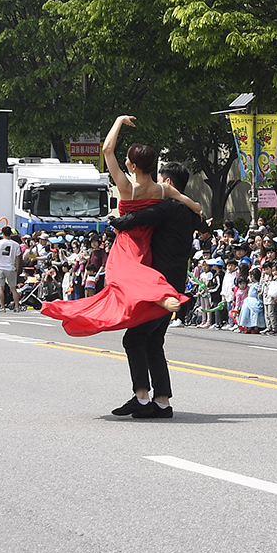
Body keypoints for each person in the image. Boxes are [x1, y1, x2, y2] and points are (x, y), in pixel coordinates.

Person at [42, 117, 197, 417]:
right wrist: (197, 208)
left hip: (129, 245)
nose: (123, 163)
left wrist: (118, 122)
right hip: (149, 251)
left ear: (136, 167)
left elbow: (107, 149)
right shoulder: (164, 192)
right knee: (151, 335)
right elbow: (189, 202)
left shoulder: (126, 187)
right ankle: (159, 401)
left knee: (123, 280)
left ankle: (143, 397)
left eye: (128, 161)